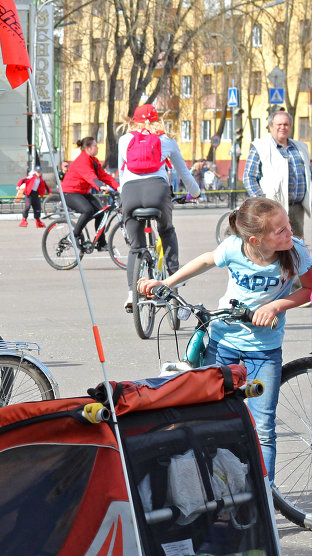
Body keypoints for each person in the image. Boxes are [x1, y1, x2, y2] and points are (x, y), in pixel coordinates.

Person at [137, 197, 310, 477]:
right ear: (255, 240)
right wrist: (167, 283)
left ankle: (265, 494)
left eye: (288, 225)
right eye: (281, 231)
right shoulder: (233, 248)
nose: (290, 233)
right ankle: (215, 487)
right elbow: (206, 259)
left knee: (262, 428)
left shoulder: (296, 251)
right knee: (209, 420)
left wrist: (276, 305)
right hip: (223, 343)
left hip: (264, 350)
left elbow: (308, 290)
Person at [118, 104, 201, 307]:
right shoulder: (167, 140)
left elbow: (121, 175)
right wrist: (196, 192)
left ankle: (131, 294)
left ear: (132, 121)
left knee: (136, 247)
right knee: (166, 231)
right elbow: (184, 173)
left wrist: (124, 197)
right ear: (158, 120)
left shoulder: (124, 140)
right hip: (158, 192)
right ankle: (176, 280)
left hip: (130, 192)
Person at [244, 110, 311, 238]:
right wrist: (262, 202)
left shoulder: (300, 148)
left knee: (297, 245)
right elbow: (249, 177)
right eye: (278, 124)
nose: (282, 127)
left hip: (297, 208)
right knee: (275, 244)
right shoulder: (260, 148)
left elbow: (308, 175)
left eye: (286, 124)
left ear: (290, 127)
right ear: (271, 127)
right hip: (273, 208)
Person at [59, 136, 119, 249]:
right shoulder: (82, 160)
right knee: (88, 210)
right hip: (69, 192)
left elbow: (103, 176)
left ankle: (101, 243)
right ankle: (74, 235)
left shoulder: (93, 160)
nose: (97, 148)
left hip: (82, 192)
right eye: (95, 146)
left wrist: (118, 187)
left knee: (101, 212)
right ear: (87, 148)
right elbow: (90, 176)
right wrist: (101, 186)